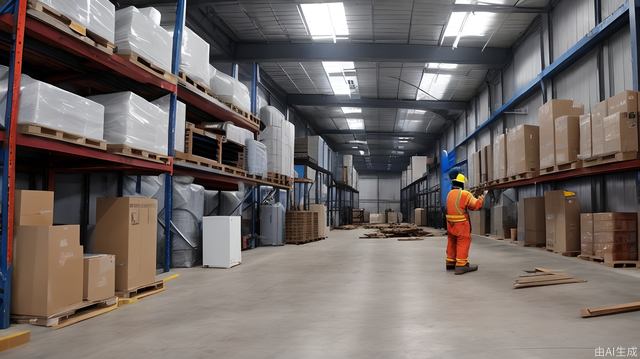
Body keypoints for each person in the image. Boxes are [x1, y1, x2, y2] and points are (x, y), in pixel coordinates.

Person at [445, 173, 486, 275]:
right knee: (463, 241)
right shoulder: (465, 194)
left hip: (450, 224)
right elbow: (475, 205)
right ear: (463, 184)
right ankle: (461, 265)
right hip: (461, 224)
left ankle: (450, 262)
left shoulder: (449, 194)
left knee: (452, 241)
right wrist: (481, 199)